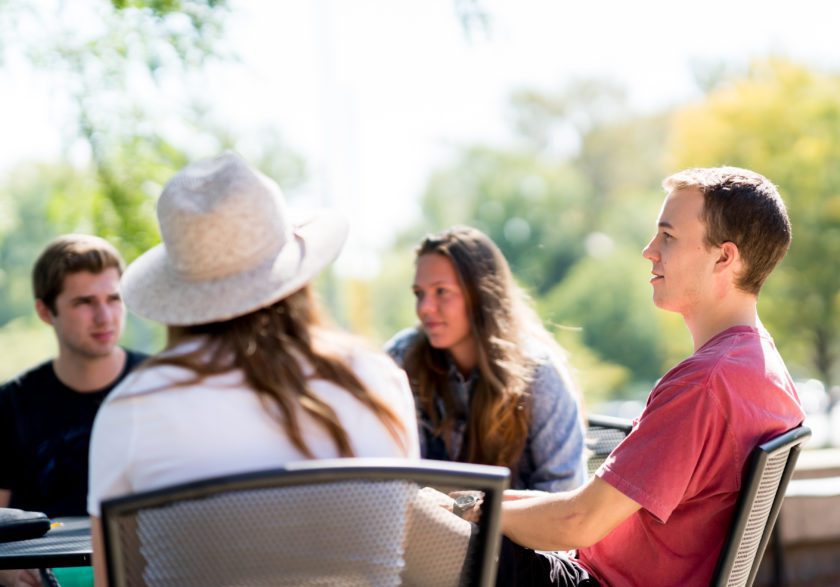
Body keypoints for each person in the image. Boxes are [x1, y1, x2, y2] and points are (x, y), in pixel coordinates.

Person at [85, 152, 423, 586]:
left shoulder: (134, 407)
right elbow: (400, 544)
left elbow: (115, 578)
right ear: (296, 276)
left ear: (181, 297)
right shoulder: (376, 380)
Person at [498, 167, 806, 586]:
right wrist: (479, 501)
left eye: (668, 236)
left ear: (724, 257)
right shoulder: (763, 370)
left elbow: (579, 521)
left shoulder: (706, 384)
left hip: (596, 580)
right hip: (599, 569)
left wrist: (470, 511)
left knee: (423, 527)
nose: (649, 250)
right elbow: (583, 509)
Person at [386, 226, 586, 492]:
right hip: (427, 530)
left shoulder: (537, 373)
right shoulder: (402, 358)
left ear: (481, 295)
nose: (424, 308)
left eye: (441, 291)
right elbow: (390, 475)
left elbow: (564, 491)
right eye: (419, 293)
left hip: (518, 533)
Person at [0, 234, 146, 587]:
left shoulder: (159, 388)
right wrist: (6, 571)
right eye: (84, 302)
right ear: (45, 311)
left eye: (114, 299)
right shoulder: (11, 404)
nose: (104, 316)